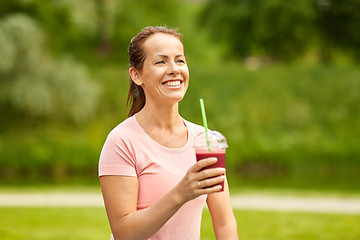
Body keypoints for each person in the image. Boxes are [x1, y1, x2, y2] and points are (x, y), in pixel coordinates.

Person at [99, 26, 238, 240]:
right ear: (136, 75)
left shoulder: (206, 141)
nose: (174, 69)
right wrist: (180, 194)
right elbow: (123, 233)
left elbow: (224, 222)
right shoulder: (122, 141)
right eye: (160, 61)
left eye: (180, 60)